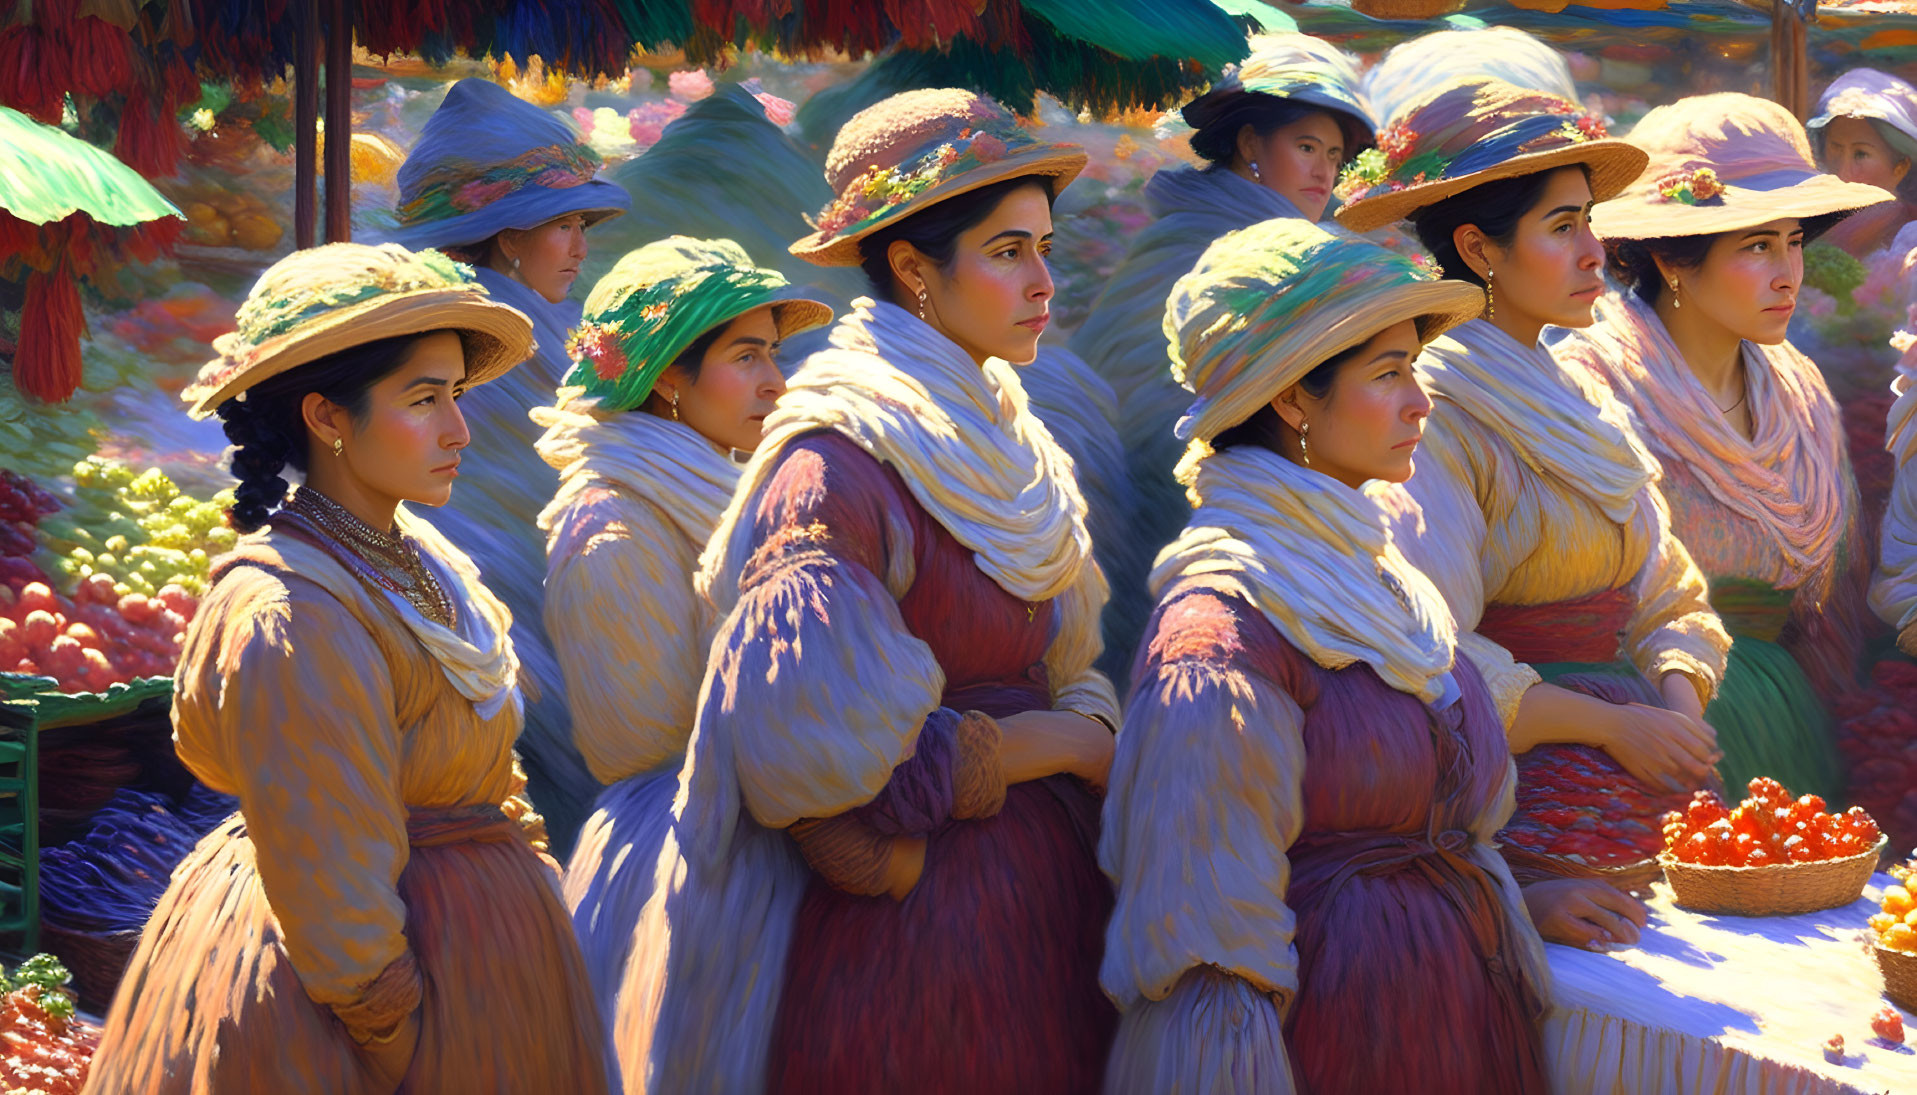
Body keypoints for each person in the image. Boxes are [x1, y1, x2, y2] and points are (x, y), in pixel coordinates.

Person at [614, 88, 1120, 1094]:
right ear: (912, 270)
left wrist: (1088, 725)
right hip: (914, 949)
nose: (1043, 281)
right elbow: (816, 765)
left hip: (1045, 910)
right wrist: (1061, 744)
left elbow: (1065, 653)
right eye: (1009, 251)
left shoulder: (1011, 438)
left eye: (1044, 248)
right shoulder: (836, 464)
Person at [82, 244, 611, 1094]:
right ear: (329, 418)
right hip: (358, 1003)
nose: (458, 430)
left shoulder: (420, 558)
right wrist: (402, 1036)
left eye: (457, 396)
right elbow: (335, 888)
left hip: (482, 959)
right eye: (423, 399)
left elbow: (484, 760)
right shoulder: (293, 614)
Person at [1104, 216, 1559, 1094]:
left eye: (1414, 372)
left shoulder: (1380, 579)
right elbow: (1204, 937)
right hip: (1338, 1036)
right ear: (1291, 400)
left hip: (1459, 1010)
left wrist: (1516, 907)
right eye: (1388, 376)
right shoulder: (1223, 632)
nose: (1419, 403)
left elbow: (1418, 820)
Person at [1335, 77, 1731, 891]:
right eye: (1562, 226)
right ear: (1480, 249)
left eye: (1587, 221)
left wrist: (1677, 717)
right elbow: (1427, 644)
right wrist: (1609, 728)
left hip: (1639, 755)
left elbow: (1665, 590)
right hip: (1513, 776)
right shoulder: (1433, 412)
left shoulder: (1577, 391)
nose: (1594, 251)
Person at [536, 236, 832, 1024]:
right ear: (668, 377)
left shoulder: (737, 493)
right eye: (746, 356)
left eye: (774, 352)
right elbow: (638, 739)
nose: (776, 380)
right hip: (687, 869)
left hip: (782, 837)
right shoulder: (613, 527)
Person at [1560, 93, 1886, 803]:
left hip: (1786, 725)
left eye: (1793, 241)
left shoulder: (1796, 389)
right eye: (1756, 247)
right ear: (1675, 262)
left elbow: (1832, 602)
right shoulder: (1592, 386)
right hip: (1645, 730)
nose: (1787, 273)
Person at [1071, 33, 1375, 684]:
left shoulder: (1299, 258)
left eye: (1332, 155)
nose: (1323, 171)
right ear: (1247, 145)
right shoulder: (1201, 250)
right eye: (1304, 147)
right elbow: (1149, 410)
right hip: (1178, 525)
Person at [390, 77, 632, 855]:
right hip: (504, 654)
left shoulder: (497, 323)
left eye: (582, 223)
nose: (581, 246)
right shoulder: (497, 341)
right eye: (562, 224)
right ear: (506, 235)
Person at [1807, 68, 1917, 257]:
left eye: (1860, 154)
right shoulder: (1808, 223)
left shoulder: (1910, 235)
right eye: (1835, 148)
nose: (1842, 172)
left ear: (1901, 167)